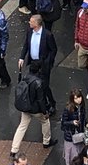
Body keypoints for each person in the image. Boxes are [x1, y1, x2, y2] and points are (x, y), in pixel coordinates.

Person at [11, 14, 58, 152]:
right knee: (40, 87)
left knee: (44, 85)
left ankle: (52, 104)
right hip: (33, 64)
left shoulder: (47, 35)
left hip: (43, 65)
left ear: (37, 23)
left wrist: (48, 63)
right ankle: (46, 139)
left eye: (31, 21)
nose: (29, 22)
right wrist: (21, 57)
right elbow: (26, 45)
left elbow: (53, 50)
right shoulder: (29, 32)